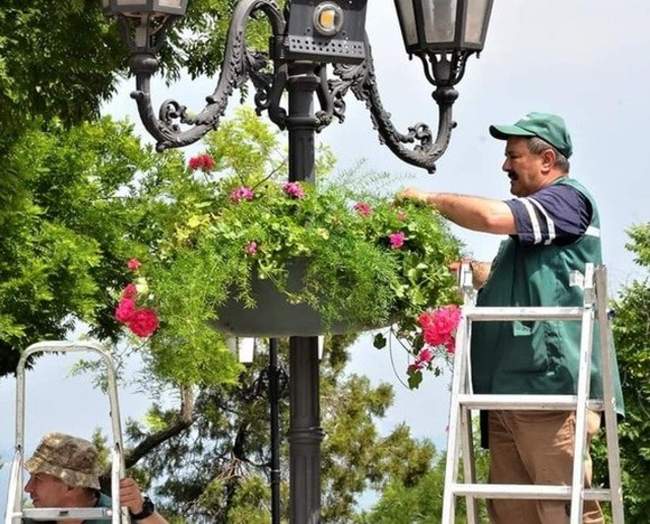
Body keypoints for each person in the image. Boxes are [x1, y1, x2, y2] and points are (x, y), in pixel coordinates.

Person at [398, 112, 623, 524]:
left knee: (563, 508)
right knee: (511, 511)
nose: (504, 166)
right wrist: (472, 272)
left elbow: (489, 217)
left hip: (549, 388)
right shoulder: (542, 225)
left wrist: (428, 201)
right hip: (509, 387)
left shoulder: (567, 201)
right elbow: (534, 278)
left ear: (547, 159)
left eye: (513, 156)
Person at [22, 432, 168, 524]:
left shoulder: (119, 516)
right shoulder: (30, 519)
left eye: (37, 479)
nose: (27, 488)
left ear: (71, 485)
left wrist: (141, 509)